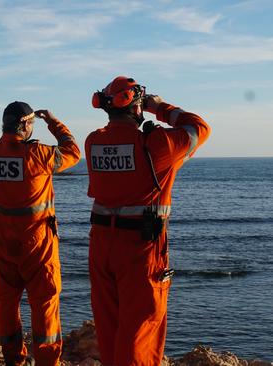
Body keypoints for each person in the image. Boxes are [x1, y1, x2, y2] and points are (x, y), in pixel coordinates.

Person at [85, 76, 211, 366]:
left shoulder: (94, 141)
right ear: (136, 105)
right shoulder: (156, 144)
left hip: (101, 246)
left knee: (110, 327)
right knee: (141, 328)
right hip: (140, 249)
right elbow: (199, 129)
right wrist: (162, 108)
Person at [0, 101, 80, 366]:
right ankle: (46, 362)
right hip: (37, 243)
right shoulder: (40, 155)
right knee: (44, 303)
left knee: (7, 302)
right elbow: (73, 151)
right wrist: (54, 122)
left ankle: (14, 361)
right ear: (25, 125)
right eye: (31, 123)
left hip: (1, 239)